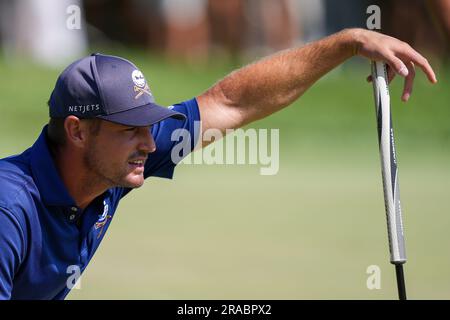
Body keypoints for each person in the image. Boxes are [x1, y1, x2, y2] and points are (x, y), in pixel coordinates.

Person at [0, 28, 437, 300]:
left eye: (149, 127)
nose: (150, 144)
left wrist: (346, 43)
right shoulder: (9, 211)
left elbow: (232, 101)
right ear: (77, 131)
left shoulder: (109, 168)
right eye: (130, 129)